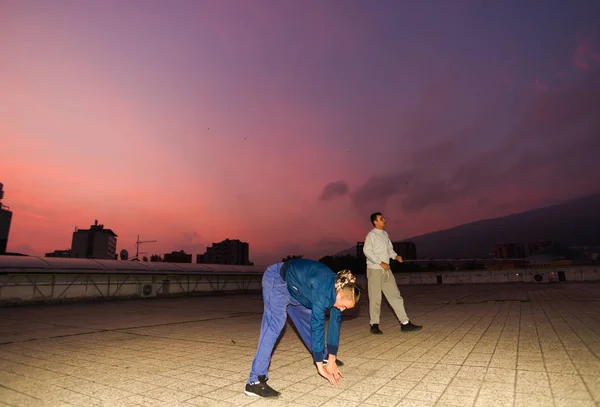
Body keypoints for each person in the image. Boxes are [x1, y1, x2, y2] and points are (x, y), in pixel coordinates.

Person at [245, 258, 360, 398]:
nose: (342, 309)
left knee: (307, 320)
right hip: (278, 281)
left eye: (345, 308)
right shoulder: (323, 290)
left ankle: (322, 355)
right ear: (340, 294)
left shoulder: (337, 290)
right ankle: (255, 381)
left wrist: (331, 359)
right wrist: (320, 368)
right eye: (343, 306)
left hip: (298, 291)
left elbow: (335, 324)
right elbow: (317, 325)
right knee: (275, 324)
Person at [363, 212, 422, 334]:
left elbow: (389, 250)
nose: (384, 219)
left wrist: (396, 256)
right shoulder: (371, 235)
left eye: (383, 218)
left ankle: (405, 323)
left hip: (386, 271)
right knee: (375, 298)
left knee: (395, 295)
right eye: (381, 218)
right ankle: (374, 325)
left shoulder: (385, 234)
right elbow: (367, 251)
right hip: (375, 270)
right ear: (375, 222)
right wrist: (380, 262)